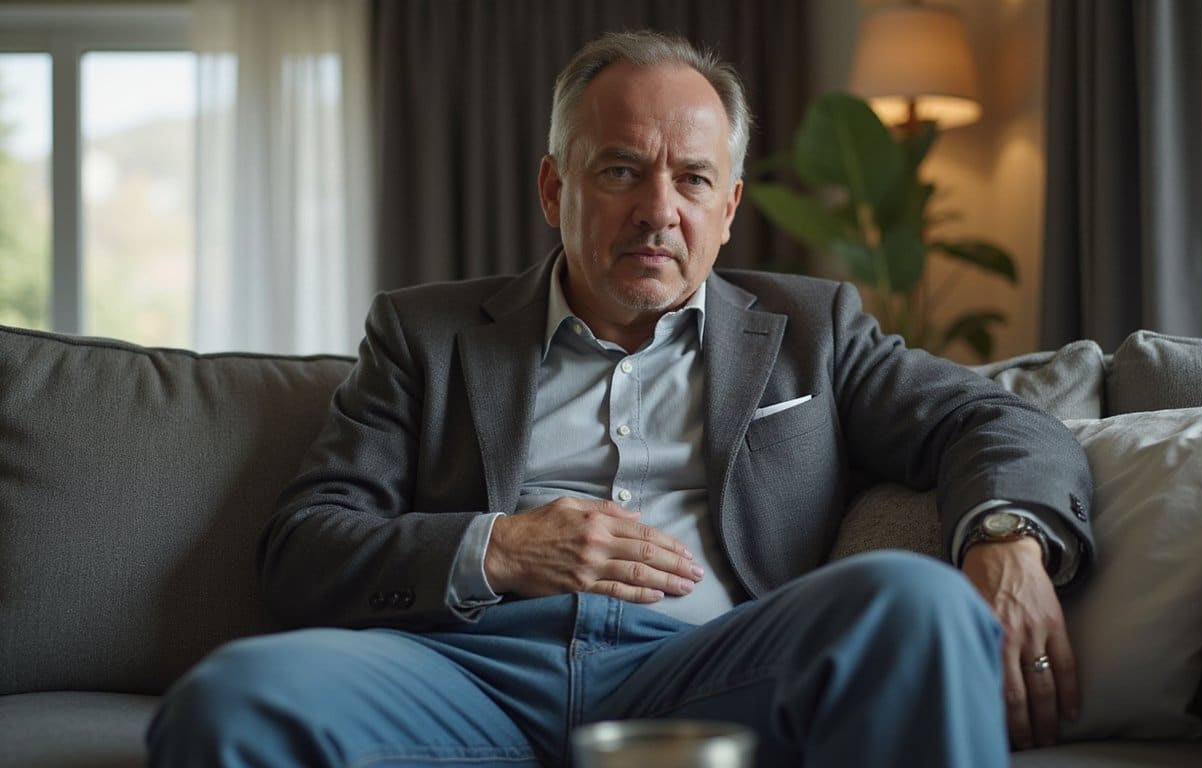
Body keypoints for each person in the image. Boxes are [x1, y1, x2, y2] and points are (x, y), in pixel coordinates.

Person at [148, 30, 1094, 768]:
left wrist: (1006, 535)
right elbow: (304, 544)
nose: (658, 209)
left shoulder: (813, 328)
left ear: (728, 210)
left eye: (692, 180)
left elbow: (995, 418)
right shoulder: (423, 333)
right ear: (555, 188)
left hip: (712, 671)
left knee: (912, 603)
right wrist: (501, 547)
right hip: (468, 672)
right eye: (620, 170)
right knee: (232, 702)